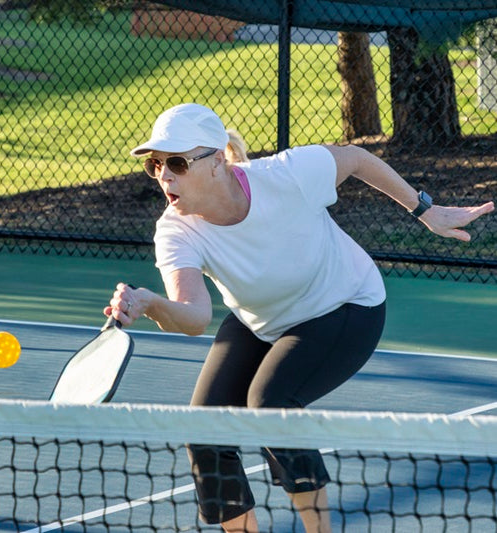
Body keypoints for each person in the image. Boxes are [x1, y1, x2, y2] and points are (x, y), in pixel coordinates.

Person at [104, 103, 494, 533]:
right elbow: (195, 316)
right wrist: (149, 303)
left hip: (347, 305)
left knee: (271, 405)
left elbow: (357, 158)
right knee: (204, 432)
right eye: (156, 164)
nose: (164, 174)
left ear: (217, 162)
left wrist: (426, 211)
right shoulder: (176, 230)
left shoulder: (287, 175)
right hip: (263, 317)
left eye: (176, 162)